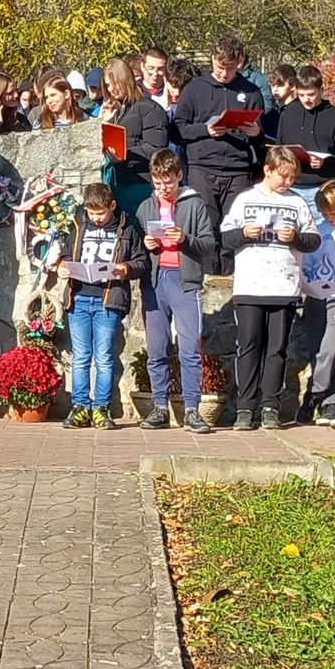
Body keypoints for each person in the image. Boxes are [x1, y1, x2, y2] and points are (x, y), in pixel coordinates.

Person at [221, 147, 321, 432]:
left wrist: (296, 237)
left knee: (277, 350)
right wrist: (244, 233)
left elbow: (314, 240)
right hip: (251, 285)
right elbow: (225, 237)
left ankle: (270, 408)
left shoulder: (297, 202)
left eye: (292, 177)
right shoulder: (245, 199)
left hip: (284, 285)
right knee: (249, 346)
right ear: (268, 170)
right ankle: (245, 408)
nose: (287, 182)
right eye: (283, 176)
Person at [134, 149, 216, 432]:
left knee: (189, 348)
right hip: (155, 283)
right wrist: (147, 246)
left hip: (184, 280)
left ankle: (191, 409)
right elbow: (135, 251)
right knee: (157, 349)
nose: (163, 189)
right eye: (157, 183)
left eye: (168, 182)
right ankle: (159, 407)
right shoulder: (145, 208)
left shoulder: (194, 204)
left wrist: (185, 238)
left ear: (179, 176)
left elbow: (208, 244)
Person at [59, 181, 137, 428]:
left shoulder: (126, 228)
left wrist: (126, 269)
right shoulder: (78, 224)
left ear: (112, 206)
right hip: (79, 297)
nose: (97, 218)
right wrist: (62, 266)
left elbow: (140, 261)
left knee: (103, 357)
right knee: (80, 356)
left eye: (101, 213)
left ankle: (101, 408)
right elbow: (65, 253)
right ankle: (80, 406)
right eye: (92, 214)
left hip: (108, 299)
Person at [170, 34, 268, 219]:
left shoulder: (251, 91)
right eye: (220, 67)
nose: (224, 74)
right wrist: (205, 130)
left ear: (239, 62)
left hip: (238, 172)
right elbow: (177, 130)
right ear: (212, 58)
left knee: (235, 229)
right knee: (205, 228)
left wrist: (256, 133)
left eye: (230, 68)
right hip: (202, 170)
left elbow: (261, 140)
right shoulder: (195, 88)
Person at [295, 176, 335, 425]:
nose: (329, 216)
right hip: (317, 296)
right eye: (325, 212)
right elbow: (306, 265)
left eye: (334, 212)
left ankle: (313, 392)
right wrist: (308, 283)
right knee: (317, 350)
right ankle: (329, 401)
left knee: (333, 348)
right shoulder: (317, 231)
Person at [99, 57, 169, 212]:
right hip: (116, 182)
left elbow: (156, 149)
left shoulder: (149, 109)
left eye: (115, 83)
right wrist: (105, 123)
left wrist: (125, 155)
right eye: (108, 85)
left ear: (126, 79)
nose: (112, 89)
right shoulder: (115, 110)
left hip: (141, 183)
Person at [274, 65, 335, 189]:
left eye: (311, 94)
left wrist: (325, 162)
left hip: (324, 185)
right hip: (292, 184)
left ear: (321, 90)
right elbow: (278, 150)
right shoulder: (287, 114)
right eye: (301, 95)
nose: (306, 100)